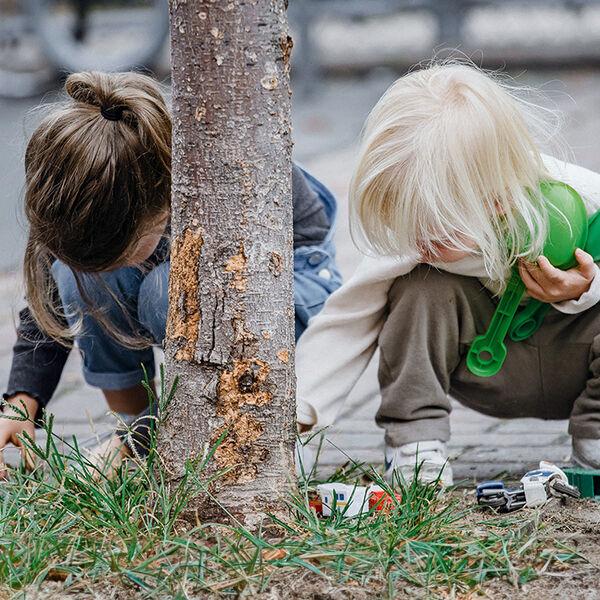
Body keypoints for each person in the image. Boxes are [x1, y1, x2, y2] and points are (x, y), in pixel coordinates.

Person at [0, 71, 342, 477]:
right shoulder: (80, 192)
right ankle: (138, 429)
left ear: (162, 207)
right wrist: (22, 401)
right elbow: (48, 305)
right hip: (186, 281)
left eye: (119, 254)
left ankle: (239, 434)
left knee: (167, 289)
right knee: (81, 280)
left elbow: (291, 270)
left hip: (291, 290)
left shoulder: (219, 172)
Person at [295, 62, 600, 486]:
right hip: (489, 373)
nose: (418, 242)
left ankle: (596, 440)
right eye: (407, 223)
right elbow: (348, 320)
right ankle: (414, 443)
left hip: (577, 364)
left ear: (496, 199)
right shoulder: (418, 237)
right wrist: (300, 412)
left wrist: (588, 288)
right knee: (421, 289)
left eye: (435, 229)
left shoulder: (581, 198)